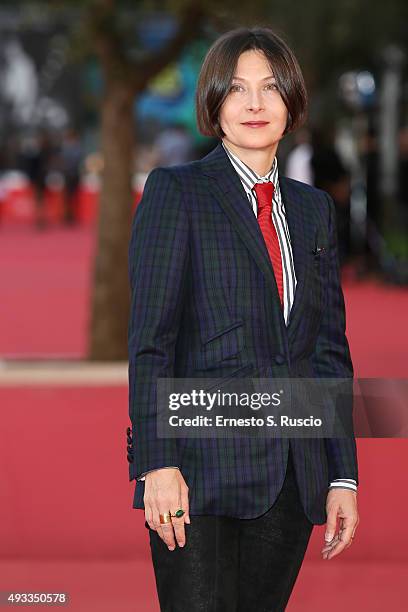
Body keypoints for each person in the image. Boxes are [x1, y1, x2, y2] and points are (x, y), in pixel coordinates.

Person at [127, 27, 359, 611]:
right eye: (236, 89)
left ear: (292, 101)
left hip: (291, 475)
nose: (255, 104)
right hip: (196, 474)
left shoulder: (313, 212)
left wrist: (342, 476)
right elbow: (152, 342)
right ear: (214, 103)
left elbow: (327, 350)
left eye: (270, 88)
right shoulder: (175, 192)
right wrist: (158, 463)